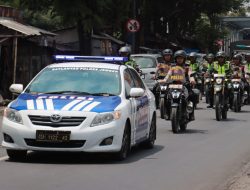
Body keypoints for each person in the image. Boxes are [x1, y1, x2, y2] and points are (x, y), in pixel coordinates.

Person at [159, 50, 195, 121]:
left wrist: (192, 80)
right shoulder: (172, 67)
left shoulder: (187, 67)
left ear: (184, 59)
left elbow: (190, 74)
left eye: (181, 58)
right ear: (175, 59)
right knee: (167, 97)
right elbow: (168, 75)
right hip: (173, 85)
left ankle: (191, 114)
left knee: (191, 95)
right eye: (178, 58)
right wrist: (164, 80)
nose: (179, 60)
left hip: (184, 85)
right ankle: (167, 113)